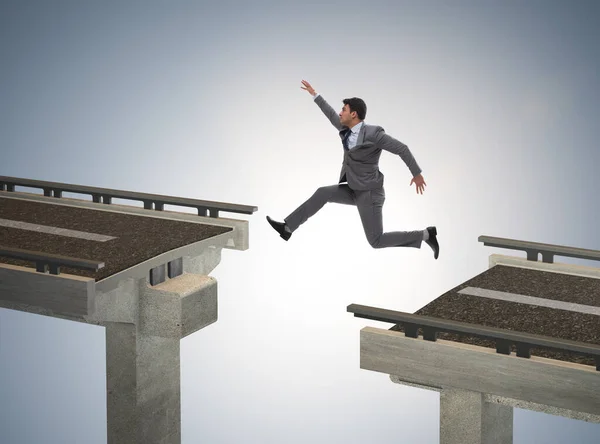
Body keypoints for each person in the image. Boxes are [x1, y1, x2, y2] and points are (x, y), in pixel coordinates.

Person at [267, 79, 439, 259]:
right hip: (353, 187)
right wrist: (314, 94)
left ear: (354, 114)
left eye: (344, 110)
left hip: (370, 193)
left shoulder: (373, 134)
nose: (340, 113)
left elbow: (401, 148)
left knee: (376, 241)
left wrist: (417, 174)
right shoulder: (345, 129)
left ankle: (426, 235)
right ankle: (287, 228)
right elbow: (330, 113)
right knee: (322, 193)